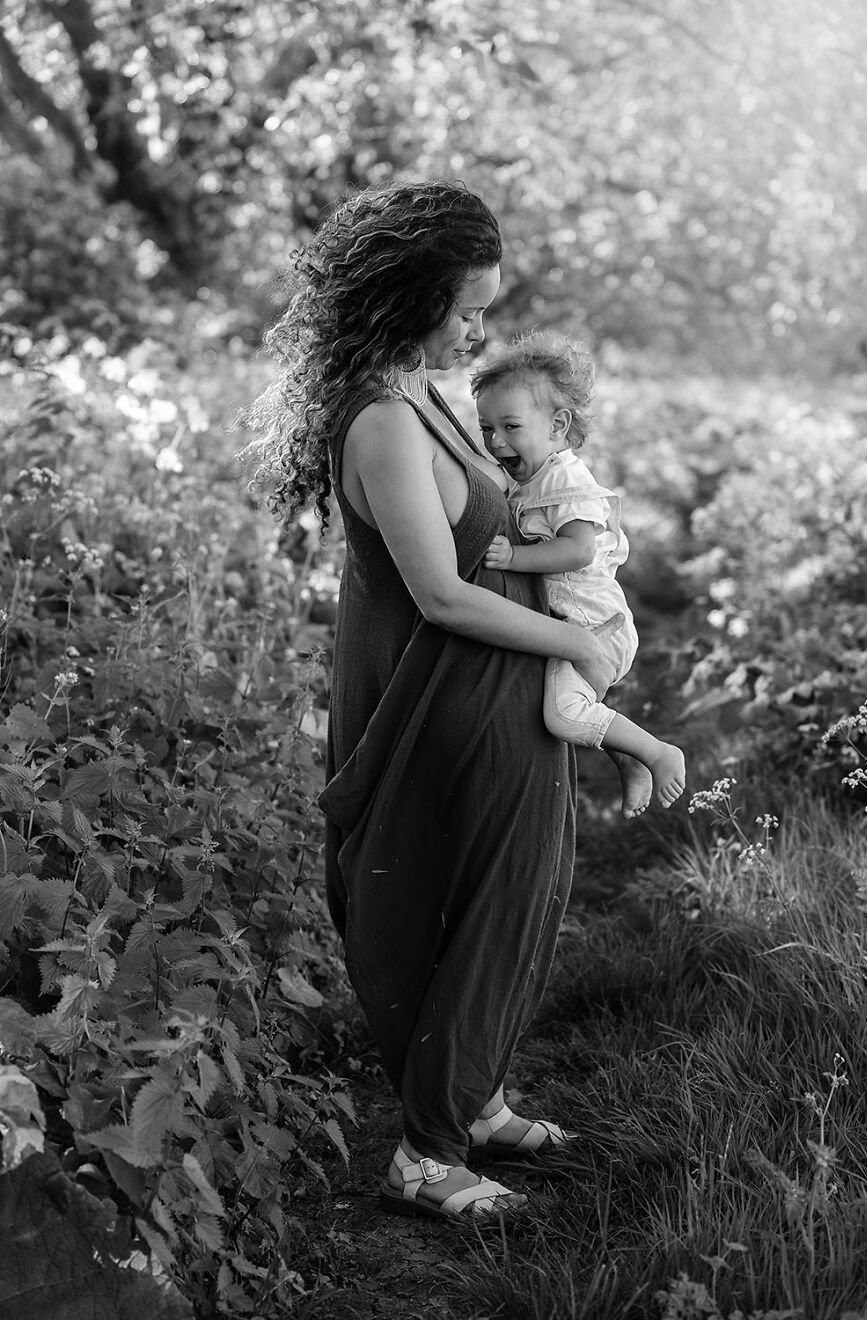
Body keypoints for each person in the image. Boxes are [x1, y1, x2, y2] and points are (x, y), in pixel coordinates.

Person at [248, 181, 622, 1223]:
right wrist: (578, 641)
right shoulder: (381, 425)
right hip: (437, 705)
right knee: (468, 910)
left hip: (492, 701)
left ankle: (477, 1100)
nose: (479, 328)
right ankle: (423, 1153)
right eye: (465, 307)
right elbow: (442, 593)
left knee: (508, 902)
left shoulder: (423, 391)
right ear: (409, 297)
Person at [472, 332, 686, 818]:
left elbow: (578, 550)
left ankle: (657, 752)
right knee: (579, 702)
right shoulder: (534, 477)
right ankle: (629, 760)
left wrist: (515, 560)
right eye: (487, 428)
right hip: (575, 625)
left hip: (595, 628)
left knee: (564, 717)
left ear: (557, 425)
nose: (496, 441)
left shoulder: (565, 479)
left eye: (510, 426)